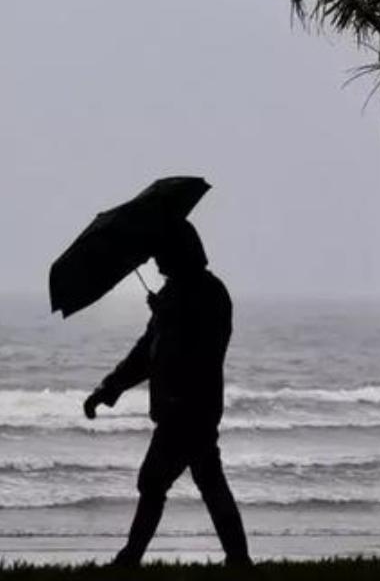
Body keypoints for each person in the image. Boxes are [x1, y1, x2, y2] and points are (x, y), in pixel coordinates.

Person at [84, 219, 251, 567]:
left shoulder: (208, 294)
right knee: (203, 480)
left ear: (179, 251)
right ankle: (237, 559)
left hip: (189, 408)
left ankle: (130, 558)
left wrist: (170, 320)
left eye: (161, 252)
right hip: (182, 409)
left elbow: (203, 352)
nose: (155, 260)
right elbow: (146, 352)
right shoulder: (174, 294)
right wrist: (109, 387)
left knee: (156, 482)